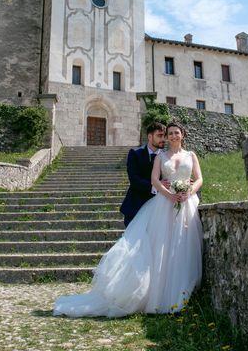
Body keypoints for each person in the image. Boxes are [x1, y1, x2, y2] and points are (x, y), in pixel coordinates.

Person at [53, 122, 203, 318]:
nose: (173, 136)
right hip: (164, 204)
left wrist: (188, 192)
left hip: (186, 203)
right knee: (159, 249)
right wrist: (169, 194)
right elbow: (154, 180)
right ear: (165, 137)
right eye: (170, 133)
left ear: (183, 135)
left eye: (177, 133)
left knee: (181, 246)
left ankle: (182, 291)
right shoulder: (160, 156)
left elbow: (199, 178)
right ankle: (157, 294)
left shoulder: (191, 155)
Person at [120, 122, 167, 227]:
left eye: (164, 136)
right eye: (159, 135)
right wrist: (157, 186)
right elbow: (134, 179)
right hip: (136, 206)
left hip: (160, 209)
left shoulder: (167, 156)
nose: (163, 139)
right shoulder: (135, 153)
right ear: (150, 137)